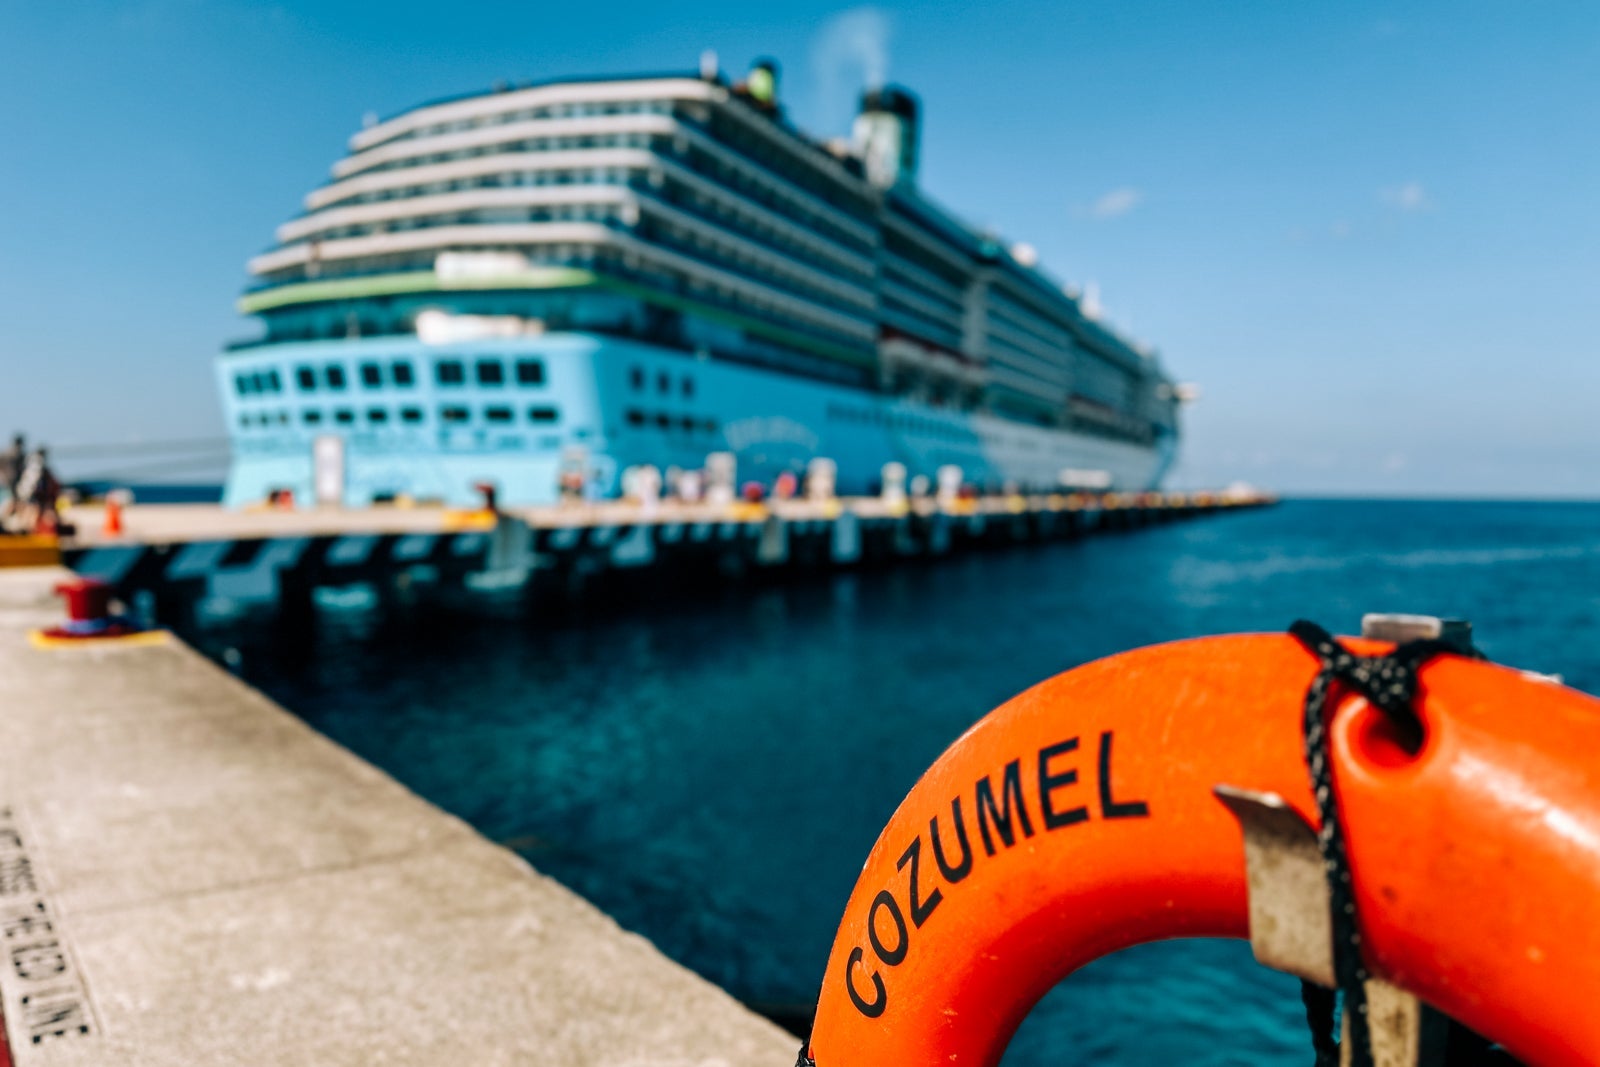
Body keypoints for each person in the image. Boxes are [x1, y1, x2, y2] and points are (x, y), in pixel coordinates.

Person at [0, 433, 23, 531]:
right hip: (11, 481)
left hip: (9, 481)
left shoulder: (6, 452)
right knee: (10, 502)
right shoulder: (19, 453)